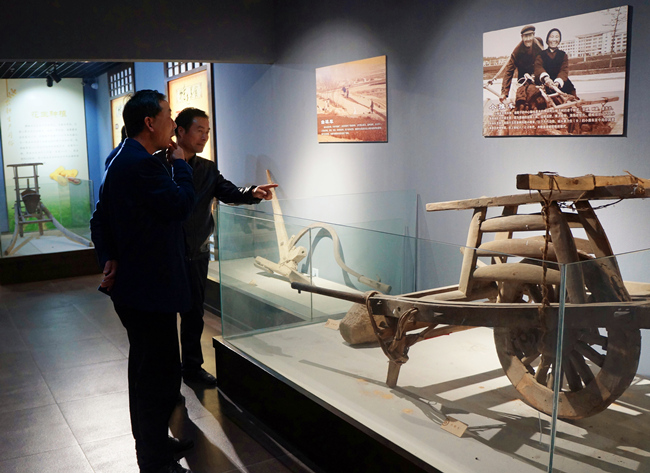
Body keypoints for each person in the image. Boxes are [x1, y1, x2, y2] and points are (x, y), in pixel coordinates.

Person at [90, 90, 196, 473]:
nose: (174, 123)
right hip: (151, 292)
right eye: (169, 115)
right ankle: (153, 459)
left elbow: (98, 218)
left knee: (150, 372)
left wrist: (108, 257)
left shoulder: (119, 157)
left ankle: (155, 446)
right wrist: (181, 164)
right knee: (155, 377)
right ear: (150, 122)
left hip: (138, 290)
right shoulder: (141, 165)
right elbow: (181, 205)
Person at [174, 107, 276, 386]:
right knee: (164, 316)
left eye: (207, 132)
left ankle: (192, 367)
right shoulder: (161, 166)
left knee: (194, 314)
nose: (204, 137)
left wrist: (252, 192)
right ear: (180, 131)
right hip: (168, 255)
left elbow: (227, 191)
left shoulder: (206, 168)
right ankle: (168, 372)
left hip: (197, 252)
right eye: (199, 130)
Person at [500, 25, 544, 110]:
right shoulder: (517, 51)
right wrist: (504, 93)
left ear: (533, 35)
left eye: (530, 35)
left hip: (537, 76)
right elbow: (509, 71)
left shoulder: (539, 43)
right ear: (522, 37)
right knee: (523, 101)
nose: (528, 39)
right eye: (525, 36)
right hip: (523, 79)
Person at [535, 28, 577, 103]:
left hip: (560, 82)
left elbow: (564, 70)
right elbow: (538, 67)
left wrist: (558, 82)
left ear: (559, 40)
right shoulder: (541, 54)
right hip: (545, 82)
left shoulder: (563, 55)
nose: (554, 39)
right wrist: (546, 78)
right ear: (547, 40)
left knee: (571, 96)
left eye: (557, 37)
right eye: (552, 37)